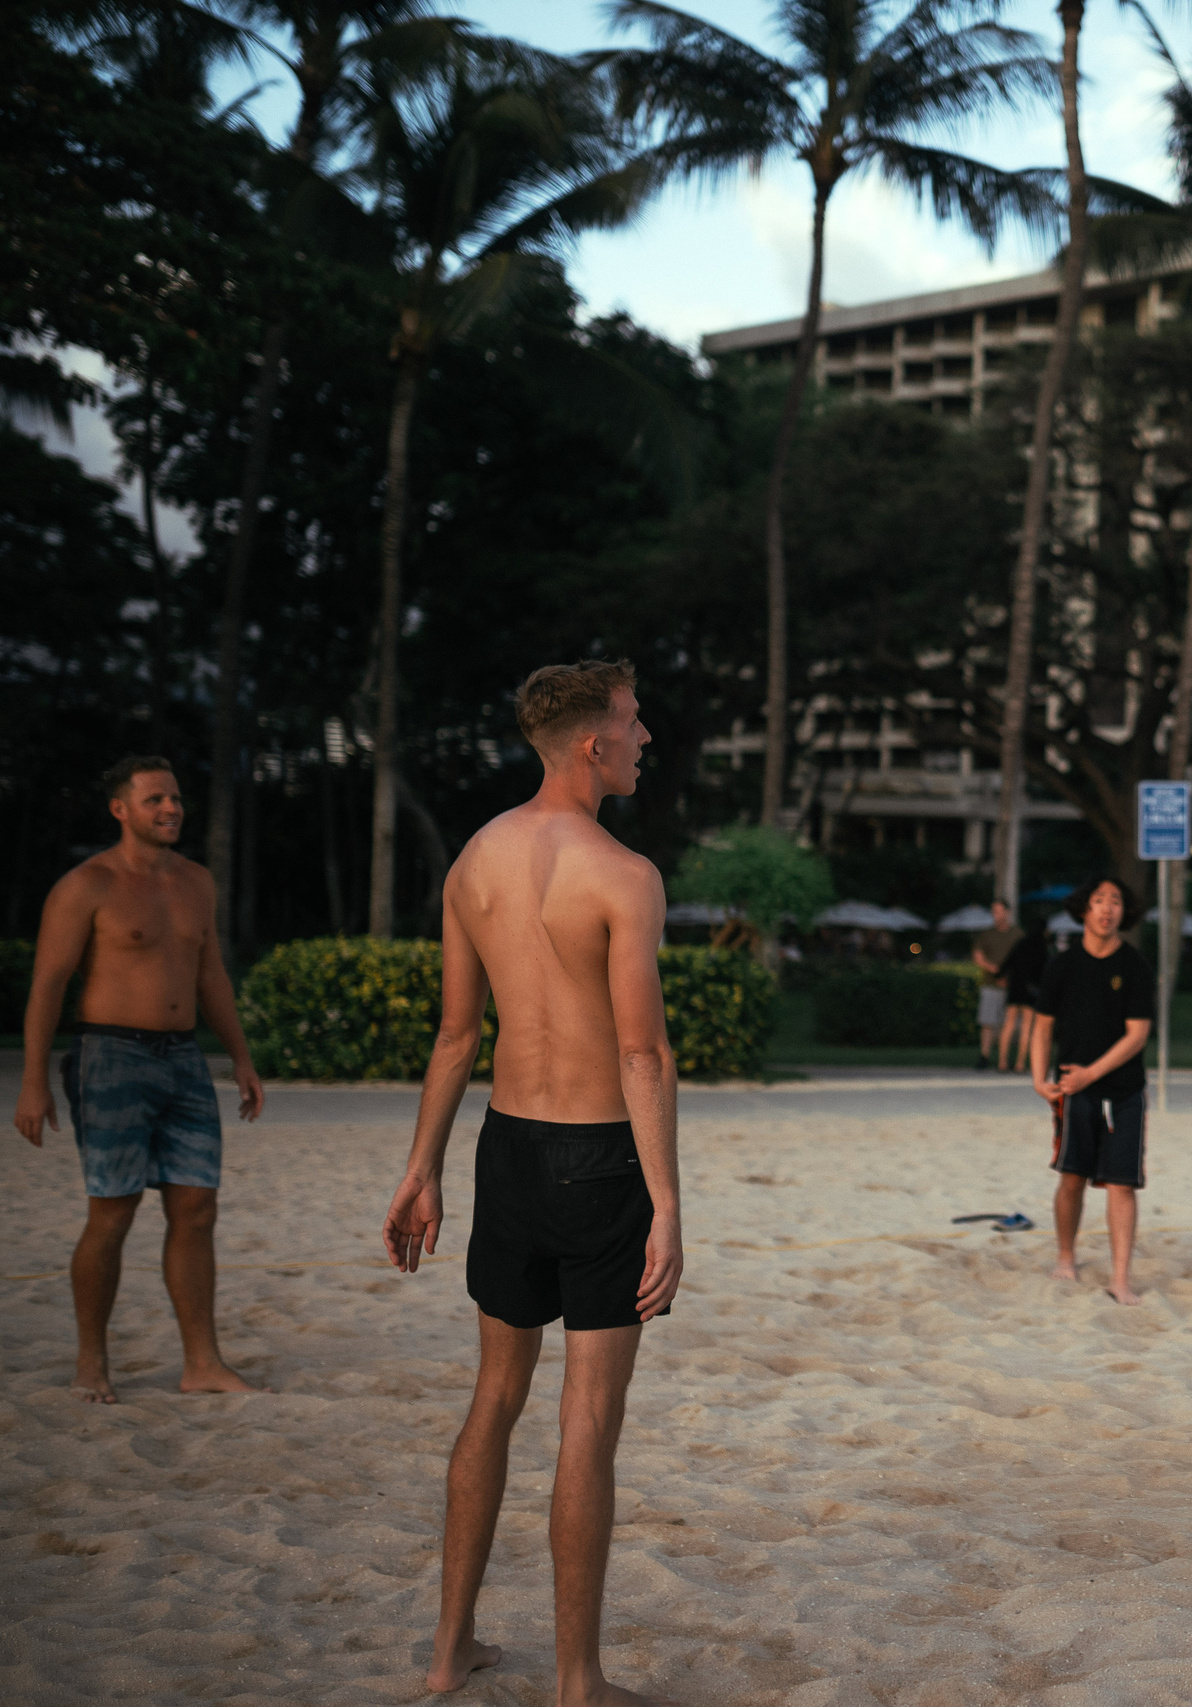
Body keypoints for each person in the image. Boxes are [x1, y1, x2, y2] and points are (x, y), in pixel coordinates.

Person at [380, 660, 684, 1703]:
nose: (646, 740)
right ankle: (576, 1680)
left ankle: (446, 1649)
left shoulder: (478, 859)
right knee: (585, 1424)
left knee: (493, 1399)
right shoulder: (624, 875)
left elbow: (456, 1034)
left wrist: (421, 1171)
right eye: (635, 725)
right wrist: (670, 1207)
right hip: (600, 1161)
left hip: (505, 1153)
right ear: (593, 744)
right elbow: (641, 1055)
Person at [15, 756, 268, 1403]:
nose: (171, 809)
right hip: (109, 1055)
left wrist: (239, 1057)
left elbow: (211, 975)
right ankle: (91, 1361)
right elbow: (48, 984)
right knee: (114, 1210)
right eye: (155, 799)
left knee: (196, 1207)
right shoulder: (86, 884)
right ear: (120, 809)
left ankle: (202, 1362)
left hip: (184, 1059)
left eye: (176, 798)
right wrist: (33, 1080)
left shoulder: (196, 882)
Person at [1031, 874, 1153, 1305]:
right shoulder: (1061, 964)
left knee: (1122, 1184)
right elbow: (1042, 1025)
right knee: (1072, 1177)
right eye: (1099, 900)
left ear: (1124, 912)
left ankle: (1120, 1279)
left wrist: (1092, 1073)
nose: (1107, 909)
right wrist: (1037, 1078)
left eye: (1115, 901)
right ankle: (1066, 1256)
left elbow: (1137, 1035)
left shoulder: (1134, 965)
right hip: (1072, 1089)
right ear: (1084, 909)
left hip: (1124, 1090)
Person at [970, 901, 1023, 1071]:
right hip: (991, 985)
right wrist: (993, 970)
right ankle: (984, 1055)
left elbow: (1025, 958)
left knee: (1011, 1024)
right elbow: (978, 956)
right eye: (994, 912)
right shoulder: (987, 935)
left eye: (1000, 911)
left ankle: (1008, 1060)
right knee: (988, 1022)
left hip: (1012, 986)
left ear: (1007, 912)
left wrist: (1011, 977)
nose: (997, 915)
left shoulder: (1017, 934)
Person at [996, 921, 1048, 1072]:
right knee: (1026, 1027)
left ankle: (1002, 1062)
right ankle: (1020, 1063)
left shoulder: (1020, 944)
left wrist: (999, 975)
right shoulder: (1041, 948)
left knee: (1008, 1024)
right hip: (1031, 989)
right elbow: (1044, 971)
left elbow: (1007, 962)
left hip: (1015, 987)